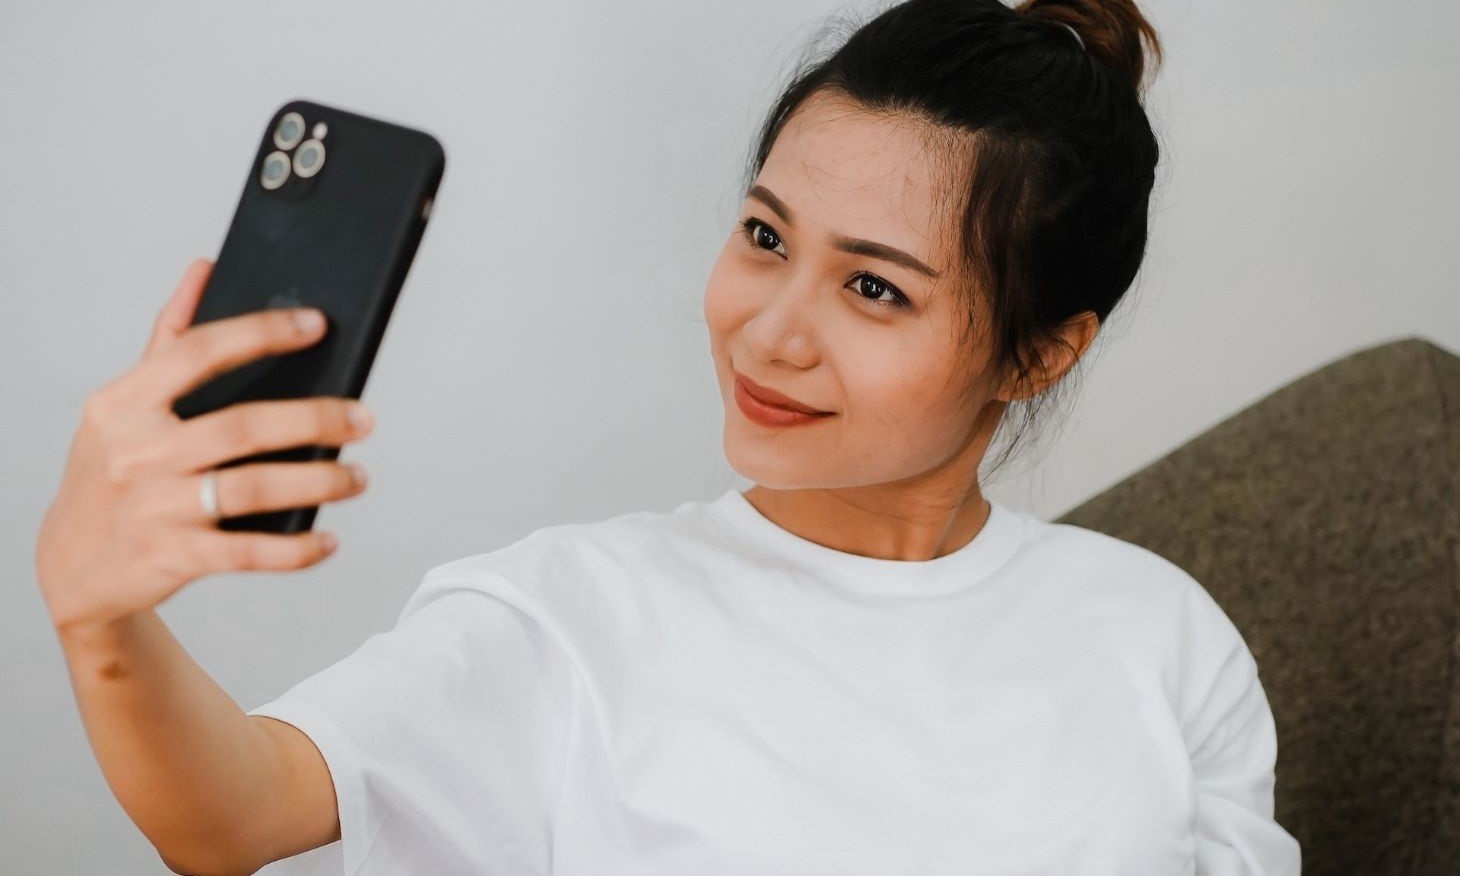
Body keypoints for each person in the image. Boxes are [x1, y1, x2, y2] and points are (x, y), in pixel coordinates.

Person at [36, 0, 1303, 873]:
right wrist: (101, 622)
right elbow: (231, 813)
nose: (767, 336)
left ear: (1040, 350)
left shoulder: (1160, 636)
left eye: (873, 288)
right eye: (764, 238)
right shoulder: (566, 619)